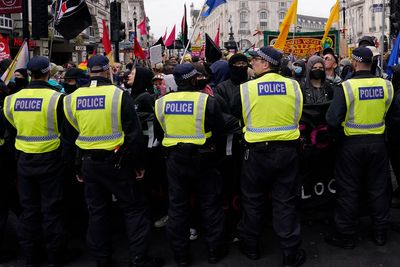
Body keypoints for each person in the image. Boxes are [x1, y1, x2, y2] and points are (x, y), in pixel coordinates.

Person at [62, 55, 163, 267]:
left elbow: (70, 137)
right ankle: (139, 258)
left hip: (89, 163)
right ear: (108, 70)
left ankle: (102, 258)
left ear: (89, 71)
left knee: (97, 212)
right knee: (134, 209)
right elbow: (133, 133)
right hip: (118, 162)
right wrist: (139, 165)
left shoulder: (72, 99)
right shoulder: (118, 95)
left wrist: (77, 166)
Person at [237, 46, 306, 267]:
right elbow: (298, 115)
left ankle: (251, 247)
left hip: (256, 154)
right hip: (287, 152)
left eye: (255, 60)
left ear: (266, 64)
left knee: (253, 201)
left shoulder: (247, 89)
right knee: (285, 202)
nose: (252, 63)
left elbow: (240, 119)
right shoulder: (294, 86)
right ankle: (289, 253)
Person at [155, 63, 229, 266]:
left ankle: (180, 256)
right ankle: (214, 250)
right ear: (193, 79)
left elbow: (160, 131)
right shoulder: (206, 101)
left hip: (175, 159)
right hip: (204, 158)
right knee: (210, 204)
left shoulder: (161, 102)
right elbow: (219, 130)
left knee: (178, 208)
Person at [325, 47, 396, 249]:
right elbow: (393, 115)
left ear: (354, 63)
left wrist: (339, 137)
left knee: (349, 190)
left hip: (351, 145)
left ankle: (346, 235)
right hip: (378, 144)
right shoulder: (386, 86)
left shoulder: (346, 87)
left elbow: (332, 119)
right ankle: (380, 232)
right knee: (378, 189)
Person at [3, 56, 66, 267]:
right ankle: (55, 257)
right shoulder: (57, 99)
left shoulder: (11, 99)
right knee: (51, 210)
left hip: (24, 162)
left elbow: (10, 132)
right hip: (51, 159)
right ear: (48, 72)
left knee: (29, 211)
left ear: (30, 74)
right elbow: (66, 133)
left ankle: (31, 256)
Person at [214, 53, 249, 119]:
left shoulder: (252, 85)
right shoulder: (221, 88)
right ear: (231, 66)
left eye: (243, 63)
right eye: (238, 63)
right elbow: (219, 111)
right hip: (230, 126)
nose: (241, 66)